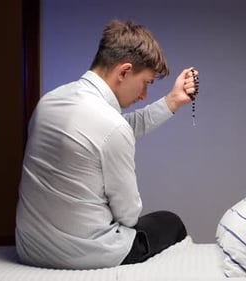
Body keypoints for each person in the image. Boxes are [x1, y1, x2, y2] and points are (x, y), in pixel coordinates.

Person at [15, 19, 199, 269]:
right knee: (171, 222)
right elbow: (129, 215)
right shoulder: (113, 126)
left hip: (30, 249)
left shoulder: (49, 101)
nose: (144, 95)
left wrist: (173, 100)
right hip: (86, 255)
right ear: (124, 71)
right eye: (146, 83)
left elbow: (111, 131)